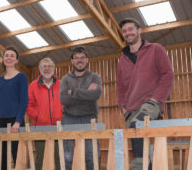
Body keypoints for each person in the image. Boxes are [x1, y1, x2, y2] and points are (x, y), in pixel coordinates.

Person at [116, 18, 174, 170]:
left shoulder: (155, 49)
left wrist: (156, 100)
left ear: (139, 30)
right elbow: (120, 87)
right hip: (130, 108)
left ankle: (137, 167)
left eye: (131, 29)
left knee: (137, 128)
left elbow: (168, 75)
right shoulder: (122, 60)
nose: (128, 33)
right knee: (140, 141)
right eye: (124, 31)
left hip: (151, 102)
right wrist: (122, 106)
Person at [59, 47, 102, 170]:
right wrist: (86, 93)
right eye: (76, 58)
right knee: (68, 157)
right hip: (69, 119)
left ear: (87, 60)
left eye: (82, 57)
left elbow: (96, 94)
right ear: (72, 61)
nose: (79, 60)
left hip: (89, 119)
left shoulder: (95, 77)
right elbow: (64, 99)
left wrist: (73, 92)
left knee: (92, 156)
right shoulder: (65, 79)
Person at [0, 46, 28, 170]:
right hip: (0, 121)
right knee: (2, 157)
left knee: (18, 155)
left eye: (12, 56)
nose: (9, 58)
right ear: (3, 59)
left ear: (16, 60)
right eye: (6, 55)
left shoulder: (21, 77)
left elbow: (24, 100)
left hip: (15, 121)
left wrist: (18, 121)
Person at [26, 57, 63, 170]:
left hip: (59, 127)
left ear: (54, 68)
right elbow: (28, 105)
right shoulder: (32, 86)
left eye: (49, 66)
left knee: (60, 159)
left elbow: (68, 102)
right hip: (40, 127)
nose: (47, 69)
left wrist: (62, 115)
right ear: (39, 69)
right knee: (40, 160)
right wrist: (38, 116)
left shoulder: (62, 84)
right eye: (44, 66)